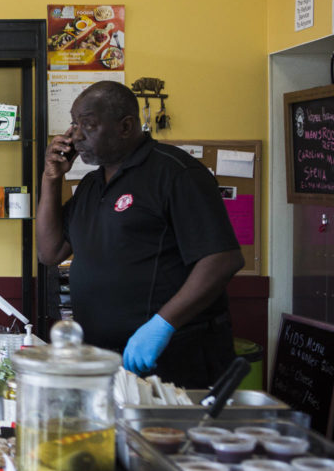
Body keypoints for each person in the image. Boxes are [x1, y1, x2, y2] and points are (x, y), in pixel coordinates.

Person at [36, 81, 244, 388]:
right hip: (104, 360)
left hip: (174, 357)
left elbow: (222, 259)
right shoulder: (92, 185)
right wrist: (51, 178)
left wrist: (163, 324)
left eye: (89, 125)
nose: (76, 135)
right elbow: (50, 252)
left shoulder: (176, 173)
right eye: (74, 124)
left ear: (125, 126)